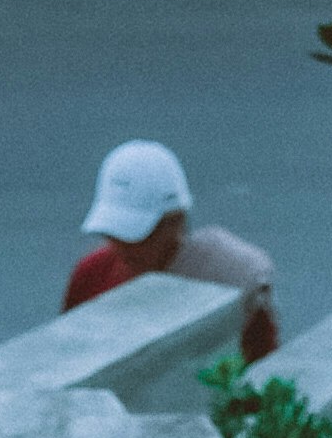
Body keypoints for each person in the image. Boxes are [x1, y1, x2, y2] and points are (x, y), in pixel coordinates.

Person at [62, 136, 278, 364]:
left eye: (137, 237)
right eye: (113, 234)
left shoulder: (233, 278)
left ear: (176, 222)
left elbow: (263, 369)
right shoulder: (90, 276)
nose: (124, 249)